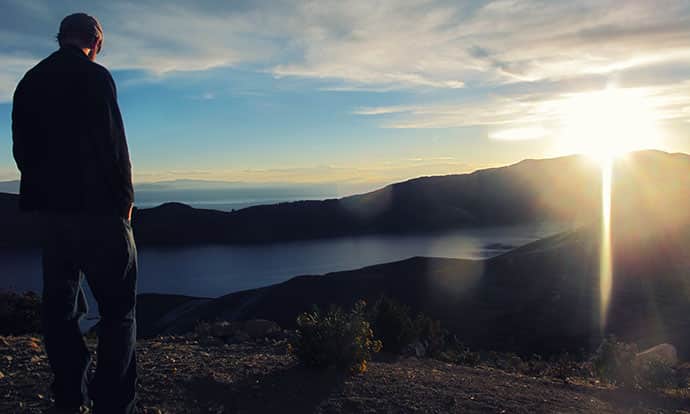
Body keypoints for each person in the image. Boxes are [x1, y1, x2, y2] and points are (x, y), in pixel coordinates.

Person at [11, 13, 137, 414]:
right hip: (100, 212)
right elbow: (114, 143)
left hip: (53, 214)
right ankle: (113, 402)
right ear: (96, 42)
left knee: (61, 308)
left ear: (61, 37)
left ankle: (69, 394)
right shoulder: (96, 78)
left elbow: (21, 151)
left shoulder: (29, 80)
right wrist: (125, 200)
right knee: (118, 311)